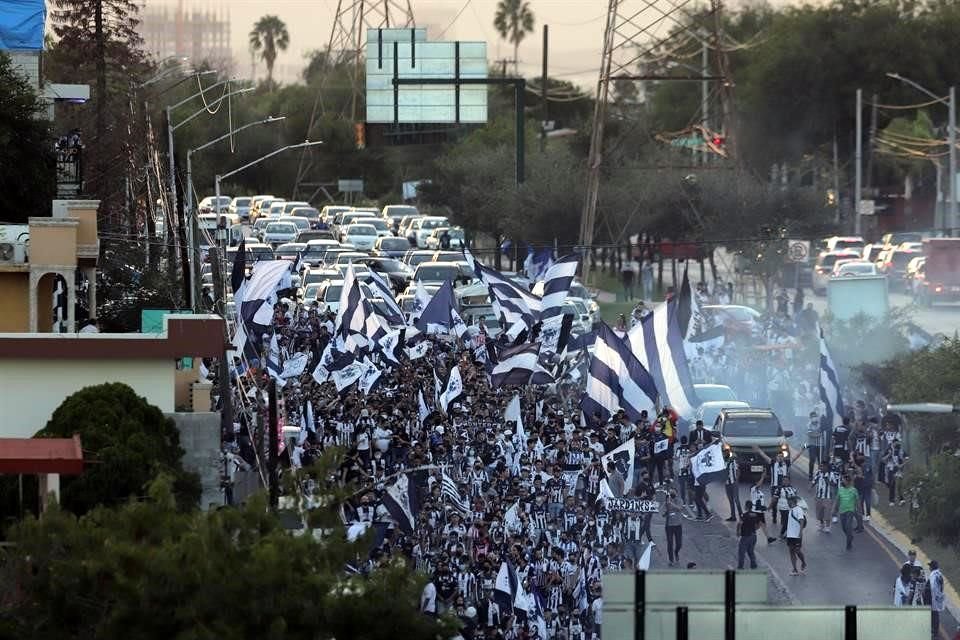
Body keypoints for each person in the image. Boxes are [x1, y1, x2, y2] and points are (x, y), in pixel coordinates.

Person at [784, 494, 807, 576]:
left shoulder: (798, 510)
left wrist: (800, 532)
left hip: (797, 535)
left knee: (797, 550)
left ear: (792, 502)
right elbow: (790, 523)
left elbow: (801, 520)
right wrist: (786, 533)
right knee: (791, 551)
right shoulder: (791, 510)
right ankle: (795, 569)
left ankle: (803, 562)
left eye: (788, 501)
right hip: (790, 535)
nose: (787, 503)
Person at [834, 475, 859, 551]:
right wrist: (834, 510)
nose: (842, 481)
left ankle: (848, 544)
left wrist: (859, 510)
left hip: (850, 511)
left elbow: (858, 500)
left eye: (843, 480)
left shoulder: (854, 490)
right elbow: (837, 500)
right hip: (842, 511)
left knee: (848, 526)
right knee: (844, 528)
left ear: (848, 482)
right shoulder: (840, 489)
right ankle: (850, 536)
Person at [724, 449, 742, 522]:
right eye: (724, 452)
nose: (725, 453)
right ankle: (733, 516)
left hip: (733, 482)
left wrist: (736, 480)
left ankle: (741, 515)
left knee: (736, 500)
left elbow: (738, 470)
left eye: (727, 452)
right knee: (731, 500)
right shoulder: (723, 462)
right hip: (727, 483)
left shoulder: (733, 461)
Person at [929, 560, 946, 639]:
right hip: (940, 597)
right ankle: (935, 631)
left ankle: (934, 632)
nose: (929, 567)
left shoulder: (933, 574)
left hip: (934, 597)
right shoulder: (940, 574)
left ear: (932, 567)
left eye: (930, 566)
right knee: (936, 614)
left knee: (934, 614)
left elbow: (932, 586)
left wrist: (930, 596)